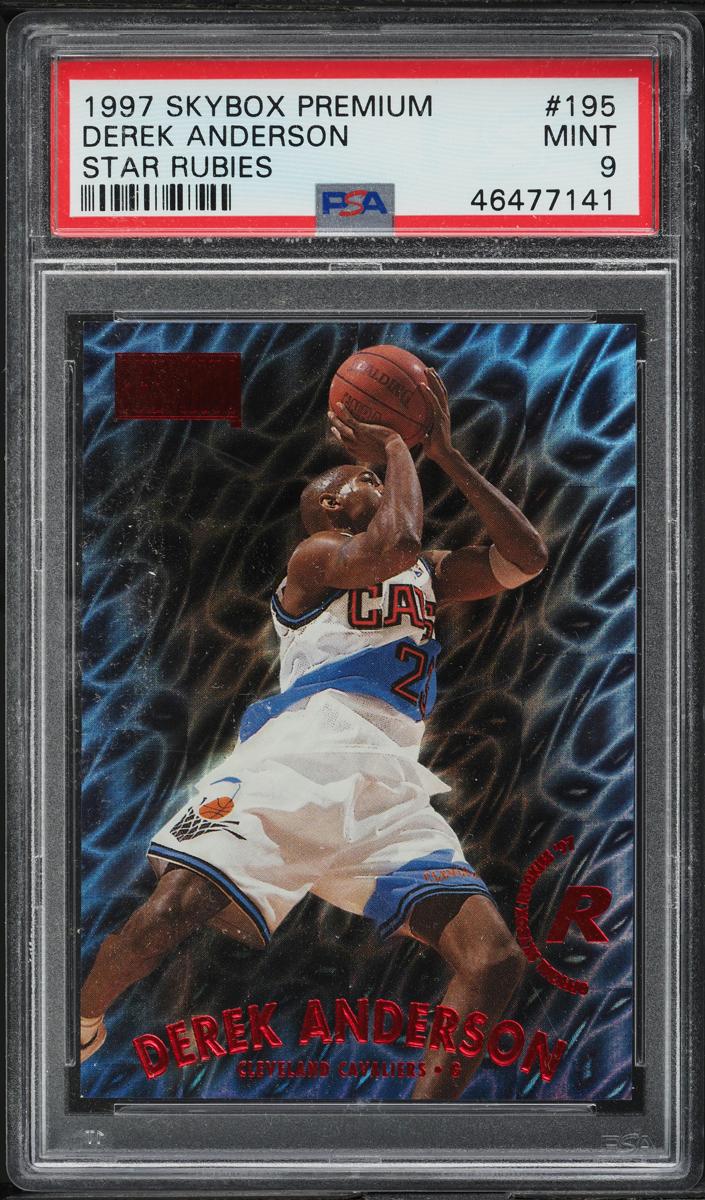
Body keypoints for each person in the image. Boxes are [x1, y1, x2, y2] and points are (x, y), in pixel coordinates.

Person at [80, 367, 548, 1100]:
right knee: (172, 910)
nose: (377, 476)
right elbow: (395, 544)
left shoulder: (425, 574)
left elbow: (525, 559)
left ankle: (419, 1140)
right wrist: (398, 446)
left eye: (380, 472)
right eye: (361, 476)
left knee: (493, 961)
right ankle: (76, 1020)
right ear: (330, 505)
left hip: (388, 789)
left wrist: (447, 454)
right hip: (296, 761)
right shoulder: (318, 558)